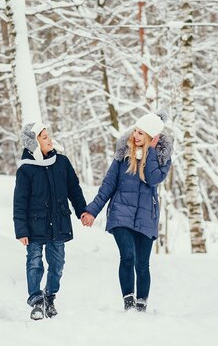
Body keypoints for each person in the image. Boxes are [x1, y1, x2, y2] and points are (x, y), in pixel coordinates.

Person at [81, 113, 173, 312]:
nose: (136, 136)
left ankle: (141, 304)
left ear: (151, 137)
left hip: (146, 216)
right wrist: (92, 211)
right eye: (136, 131)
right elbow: (108, 185)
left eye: (142, 133)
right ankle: (129, 302)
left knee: (142, 264)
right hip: (121, 213)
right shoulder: (123, 155)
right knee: (128, 256)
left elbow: (153, 179)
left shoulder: (162, 158)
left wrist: (149, 152)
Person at [13, 122, 88, 320]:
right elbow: (19, 202)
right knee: (35, 263)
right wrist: (21, 230)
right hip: (34, 225)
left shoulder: (61, 162)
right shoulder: (26, 170)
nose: (49, 139)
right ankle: (36, 301)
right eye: (44, 137)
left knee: (57, 264)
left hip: (59, 223)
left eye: (48, 135)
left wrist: (82, 211)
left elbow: (74, 189)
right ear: (35, 143)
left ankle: (49, 297)